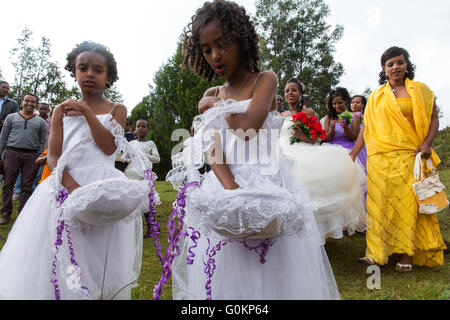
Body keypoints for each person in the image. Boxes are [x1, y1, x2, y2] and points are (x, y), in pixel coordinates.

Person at [168, 0, 339, 300]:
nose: (215, 55)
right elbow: (214, 149)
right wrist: (232, 191)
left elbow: (247, 129)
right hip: (226, 183)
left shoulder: (265, 80)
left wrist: (215, 106)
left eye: (222, 44)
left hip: (267, 180)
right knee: (230, 264)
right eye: (206, 49)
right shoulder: (212, 93)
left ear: (241, 39)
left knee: (272, 262)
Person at [0, 41, 153, 299]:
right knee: (63, 247)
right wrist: (71, 187)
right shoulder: (61, 110)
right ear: (74, 72)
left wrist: (85, 111)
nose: (89, 74)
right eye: (83, 68)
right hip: (65, 184)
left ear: (109, 76)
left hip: (102, 185)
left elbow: (107, 148)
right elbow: (54, 156)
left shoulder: (117, 109)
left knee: (98, 246)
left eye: (98, 70)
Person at [349, 46, 447, 272]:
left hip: (410, 156)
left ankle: (407, 255)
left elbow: (433, 119)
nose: (395, 67)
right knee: (379, 205)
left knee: (407, 206)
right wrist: (354, 152)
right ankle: (376, 254)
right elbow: (367, 127)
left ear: (406, 64)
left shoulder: (420, 91)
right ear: (384, 69)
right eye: (390, 64)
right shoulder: (376, 96)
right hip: (380, 159)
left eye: (399, 62)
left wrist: (427, 144)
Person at [278, 78, 366, 241]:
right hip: (281, 152)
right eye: (287, 91)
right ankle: (283, 234)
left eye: (293, 90)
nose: (290, 93)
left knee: (306, 188)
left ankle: (310, 234)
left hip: (300, 150)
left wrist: (300, 135)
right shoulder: (281, 115)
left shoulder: (309, 113)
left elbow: (314, 140)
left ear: (300, 93)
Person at [0, 93, 47, 225]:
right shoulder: (11, 118)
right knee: (8, 184)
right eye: (27, 101)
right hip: (12, 152)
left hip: (31, 156)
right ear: (22, 102)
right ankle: (5, 212)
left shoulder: (40, 122)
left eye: (33, 102)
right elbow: (3, 137)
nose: (30, 104)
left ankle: (22, 213)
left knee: (27, 186)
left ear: (36, 104)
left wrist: (39, 155)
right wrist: (1, 155)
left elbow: (42, 140)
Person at [125, 119, 160, 238]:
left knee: (145, 201)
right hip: (131, 172)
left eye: (143, 126)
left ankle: (151, 227)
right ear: (135, 129)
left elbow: (157, 158)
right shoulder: (131, 143)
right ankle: (131, 227)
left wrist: (142, 154)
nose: (140, 128)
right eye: (138, 126)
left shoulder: (150, 144)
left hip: (143, 174)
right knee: (131, 200)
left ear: (148, 129)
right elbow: (126, 157)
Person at [323, 87, 367, 172]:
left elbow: (354, 138)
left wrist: (346, 128)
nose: (337, 106)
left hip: (349, 148)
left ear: (346, 101)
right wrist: (332, 130)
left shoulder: (355, 116)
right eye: (334, 104)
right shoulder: (328, 118)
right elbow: (326, 139)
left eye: (340, 103)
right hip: (332, 149)